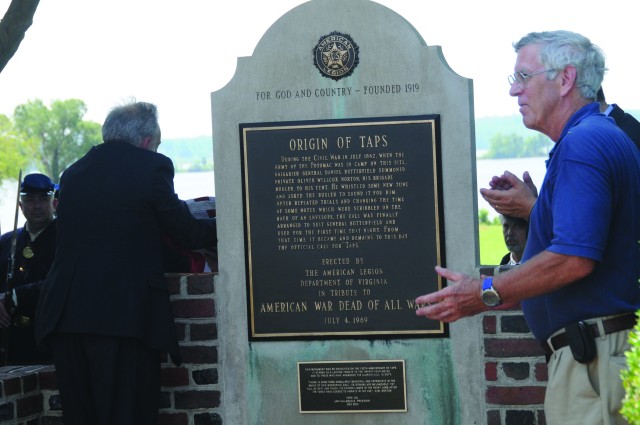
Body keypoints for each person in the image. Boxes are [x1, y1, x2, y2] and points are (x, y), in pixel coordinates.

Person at [415, 31, 640, 424]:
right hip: (598, 356)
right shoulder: (597, 136)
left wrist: (485, 291)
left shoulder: (584, 144)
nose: (513, 91)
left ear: (565, 79)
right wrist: (494, 295)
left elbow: (573, 259)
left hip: (595, 364)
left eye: (522, 77)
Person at [35, 101, 217, 425]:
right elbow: (186, 232)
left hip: (65, 318)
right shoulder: (151, 167)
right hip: (120, 318)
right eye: (157, 144)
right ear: (148, 142)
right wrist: (234, 219)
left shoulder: (73, 173)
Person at [0, 173, 57, 364]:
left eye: (43, 199)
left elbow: (60, 282)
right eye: (30, 200)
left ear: (54, 203)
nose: (37, 205)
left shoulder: (67, 241)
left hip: (49, 344)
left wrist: (16, 297)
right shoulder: (5, 242)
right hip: (9, 345)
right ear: (20, 205)